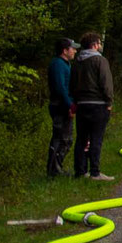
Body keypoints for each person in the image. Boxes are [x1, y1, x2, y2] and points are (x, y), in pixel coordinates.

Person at [68, 33, 114, 181]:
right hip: (98, 105)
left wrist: (76, 101)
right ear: (94, 44)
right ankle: (95, 172)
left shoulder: (77, 62)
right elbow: (106, 83)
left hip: (82, 105)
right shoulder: (100, 61)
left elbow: (72, 85)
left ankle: (80, 171)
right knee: (96, 139)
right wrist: (109, 102)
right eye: (99, 43)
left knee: (81, 139)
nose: (100, 45)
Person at [47, 38, 77, 176]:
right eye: (73, 48)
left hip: (63, 105)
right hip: (60, 106)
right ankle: (54, 169)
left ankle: (57, 167)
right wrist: (69, 105)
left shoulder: (65, 64)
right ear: (65, 51)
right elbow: (60, 88)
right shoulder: (58, 65)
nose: (75, 51)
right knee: (61, 138)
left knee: (67, 139)